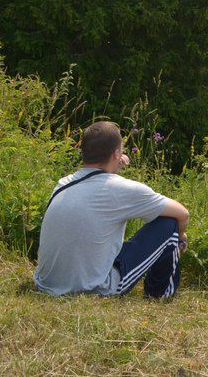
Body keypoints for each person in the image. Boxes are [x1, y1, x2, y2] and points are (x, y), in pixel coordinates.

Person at [34, 120, 190, 298]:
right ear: (116, 154)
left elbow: (99, 181)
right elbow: (182, 214)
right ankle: (160, 294)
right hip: (95, 288)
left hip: (45, 284)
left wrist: (114, 164)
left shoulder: (63, 183)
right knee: (170, 224)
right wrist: (181, 236)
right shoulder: (123, 189)